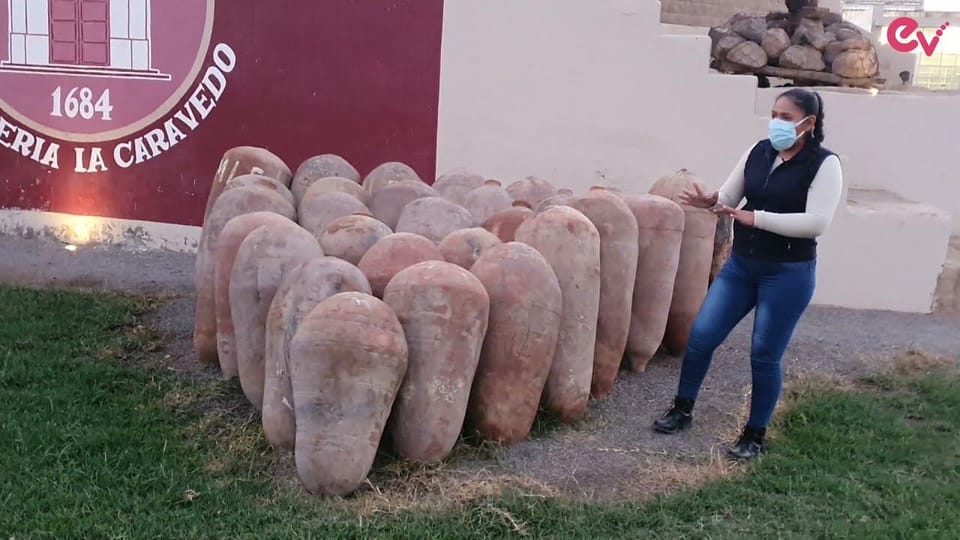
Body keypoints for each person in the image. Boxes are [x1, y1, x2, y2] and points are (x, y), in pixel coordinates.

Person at [651, 88, 844, 460]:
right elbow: (731, 194)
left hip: (787, 273)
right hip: (742, 266)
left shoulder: (824, 164)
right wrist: (713, 201)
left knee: (764, 354)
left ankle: (754, 434)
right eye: (774, 114)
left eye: (787, 117)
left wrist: (756, 219)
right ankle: (682, 410)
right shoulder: (759, 151)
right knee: (701, 336)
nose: (777, 123)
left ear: (809, 124)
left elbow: (817, 223)